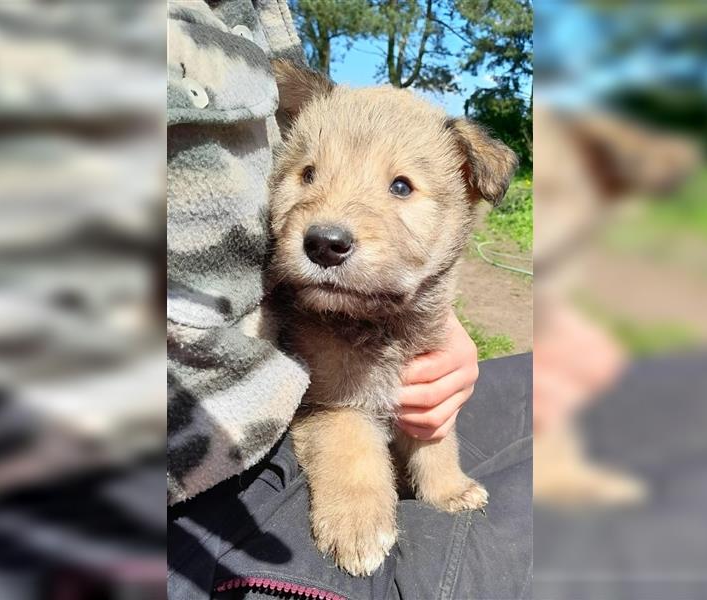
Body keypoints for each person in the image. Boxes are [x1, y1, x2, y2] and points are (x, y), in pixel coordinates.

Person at [166, 2, 531, 598]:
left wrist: (442, 341)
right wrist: (358, 494)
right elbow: (330, 406)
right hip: (216, 495)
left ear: (468, 193)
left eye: (401, 186)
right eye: (308, 174)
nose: (330, 222)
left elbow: (423, 396)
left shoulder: (257, 21)